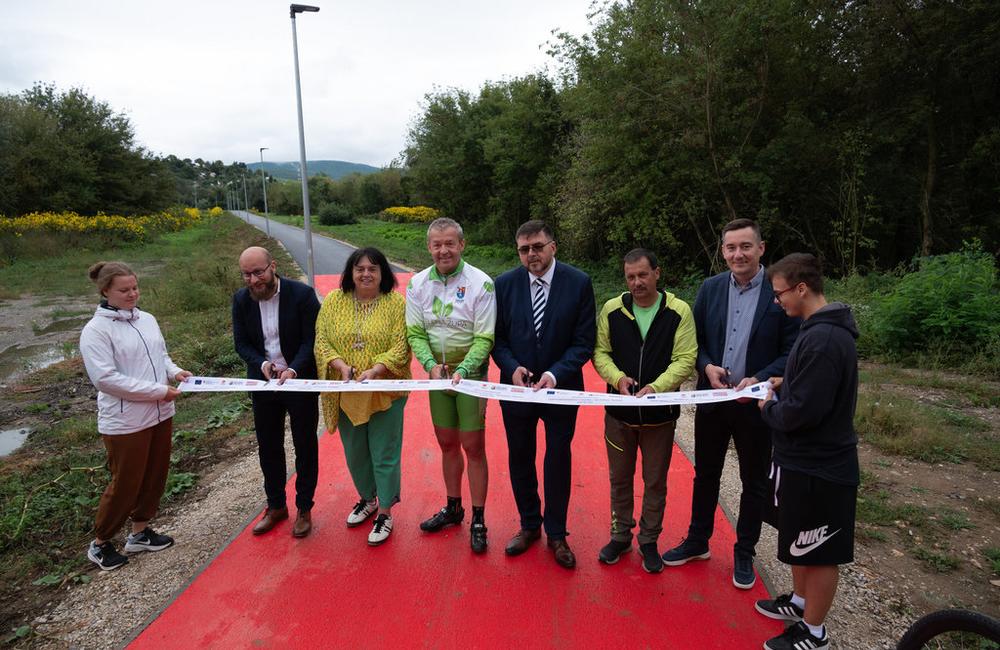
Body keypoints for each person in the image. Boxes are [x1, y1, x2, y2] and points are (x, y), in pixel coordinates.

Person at [663, 218, 799, 589]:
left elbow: (791, 351)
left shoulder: (779, 292)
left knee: (753, 480)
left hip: (755, 404)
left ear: (761, 248)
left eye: (745, 247)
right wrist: (706, 366)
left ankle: (745, 551)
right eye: (730, 248)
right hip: (713, 399)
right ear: (722, 251)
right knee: (705, 473)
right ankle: (697, 540)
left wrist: (758, 378)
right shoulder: (709, 289)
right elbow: (697, 341)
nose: (737, 254)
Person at [754, 253, 859, 650]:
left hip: (821, 466)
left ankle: (814, 632)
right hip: (800, 462)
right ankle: (799, 604)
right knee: (797, 538)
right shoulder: (813, 331)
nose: (776, 301)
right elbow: (810, 389)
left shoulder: (825, 339)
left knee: (818, 548)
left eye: (779, 293)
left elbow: (804, 412)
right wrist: (786, 380)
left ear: (801, 288)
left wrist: (768, 406)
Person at [492, 220, 596, 569]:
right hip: (516, 388)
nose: (531, 254)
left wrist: (554, 373)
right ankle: (529, 525)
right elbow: (499, 339)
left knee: (557, 459)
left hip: (561, 389)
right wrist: (512, 368)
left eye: (537, 246)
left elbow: (584, 342)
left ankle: (556, 533)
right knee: (520, 456)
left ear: (553, 245)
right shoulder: (504, 284)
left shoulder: (579, 282)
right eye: (524, 249)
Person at [79, 261, 191, 571]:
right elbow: (106, 379)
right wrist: (158, 391)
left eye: (135, 288)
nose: (132, 294)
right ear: (105, 292)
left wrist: (175, 372)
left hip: (160, 413)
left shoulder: (147, 319)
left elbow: (161, 355)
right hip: (125, 421)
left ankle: (139, 533)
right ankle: (100, 543)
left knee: (155, 475)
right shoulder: (96, 330)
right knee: (126, 482)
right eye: (124, 290)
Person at [592, 249, 697, 574]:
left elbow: (686, 358)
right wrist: (618, 378)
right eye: (630, 277)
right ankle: (620, 535)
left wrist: (656, 387)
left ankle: (649, 540)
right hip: (618, 416)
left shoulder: (679, 311)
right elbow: (600, 352)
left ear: (657, 273)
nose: (636, 282)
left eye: (642, 275)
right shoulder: (612, 309)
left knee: (654, 482)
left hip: (659, 418)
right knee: (619, 479)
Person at [406, 218, 496, 553]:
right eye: (437, 244)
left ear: (462, 244)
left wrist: (466, 368)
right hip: (437, 374)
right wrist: (430, 366)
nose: (443, 250)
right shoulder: (417, 284)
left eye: (450, 244)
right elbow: (415, 332)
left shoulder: (482, 283)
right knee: (446, 444)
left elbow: (485, 335)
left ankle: (478, 517)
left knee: (473, 446)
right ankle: (454, 506)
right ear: (428, 247)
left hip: (470, 376)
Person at [315, 247, 411, 546]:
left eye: (373, 268)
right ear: (350, 273)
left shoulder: (395, 302)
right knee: (356, 453)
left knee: (384, 453)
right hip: (348, 392)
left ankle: (384, 511)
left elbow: (401, 345)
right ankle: (367, 499)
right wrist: (341, 366)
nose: (366, 274)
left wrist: (377, 370)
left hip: (385, 391)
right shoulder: (333, 301)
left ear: (383, 273)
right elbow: (321, 340)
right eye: (360, 268)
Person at [232, 246, 321, 538]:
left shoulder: (302, 295)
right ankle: (275, 505)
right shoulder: (241, 300)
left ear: (273, 266)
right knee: (268, 446)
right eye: (247, 274)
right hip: (264, 383)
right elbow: (242, 343)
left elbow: (311, 341)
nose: (253, 280)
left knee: (305, 444)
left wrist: (293, 368)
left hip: (299, 381)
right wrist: (263, 364)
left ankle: (304, 508)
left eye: (258, 272)